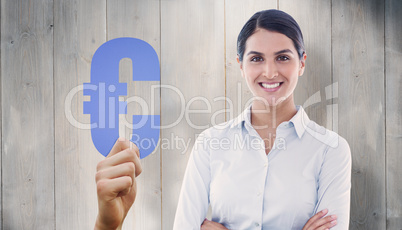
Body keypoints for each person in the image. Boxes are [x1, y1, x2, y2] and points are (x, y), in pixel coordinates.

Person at [95, 9, 351, 230]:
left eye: (283, 57)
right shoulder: (210, 143)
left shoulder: (331, 150)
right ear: (241, 65)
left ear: (302, 63)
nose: (270, 71)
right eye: (256, 58)